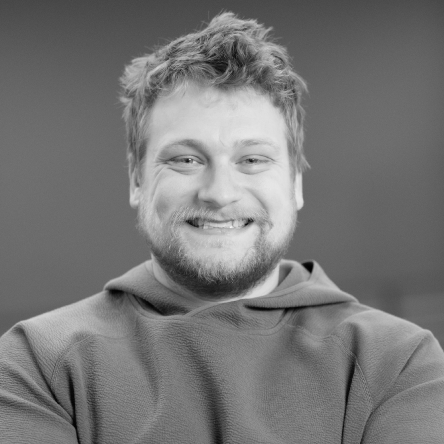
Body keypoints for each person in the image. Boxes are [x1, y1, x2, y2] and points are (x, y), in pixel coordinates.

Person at [1, 12, 443, 443]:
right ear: (137, 180)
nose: (219, 193)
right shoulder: (37, 363)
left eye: (252, 159)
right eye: (186, 159)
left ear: (295, 183)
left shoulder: (398, 361)